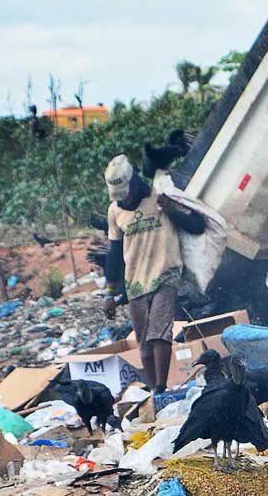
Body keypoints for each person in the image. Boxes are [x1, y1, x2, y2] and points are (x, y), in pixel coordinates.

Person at [102, 154, 205, 394]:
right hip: (135, 282)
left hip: (166, 273)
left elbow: (197, 225)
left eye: (126, 193)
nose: (124, 199)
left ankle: (160, 387)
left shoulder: (160, 197)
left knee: (160, 333)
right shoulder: (115, 212)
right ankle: (153, 390)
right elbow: (115, 253)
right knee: (143, 343)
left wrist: (172, 212)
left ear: (134, 183)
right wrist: (109, 293)